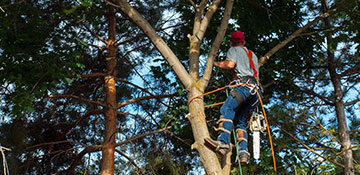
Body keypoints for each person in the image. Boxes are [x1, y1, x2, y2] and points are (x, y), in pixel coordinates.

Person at [204, 31, 262, 165]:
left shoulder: (233, 49)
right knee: (240, 121)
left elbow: (230, 64)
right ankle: (243, 154)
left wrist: (216, 63)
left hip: (244, 87)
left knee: (227, 109)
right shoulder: (253, 55)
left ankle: (223, 143)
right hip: (256, 92)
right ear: (244, 42)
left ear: (231, 42)